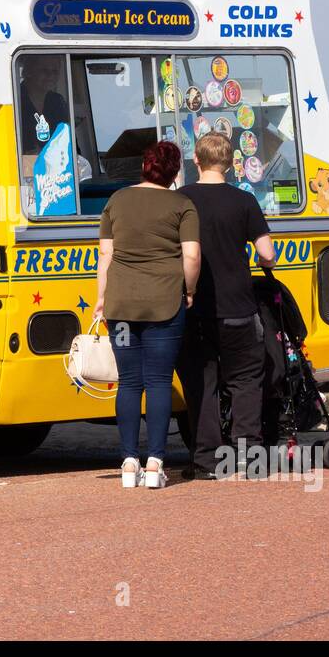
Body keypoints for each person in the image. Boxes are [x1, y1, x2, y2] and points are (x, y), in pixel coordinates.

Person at [94, 140, 200, 489]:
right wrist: (189, 290)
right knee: (157, 382)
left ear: (144, 165)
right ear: (172, 172)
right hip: (164, 306)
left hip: (122, 306)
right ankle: (154, 463)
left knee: (128, 382)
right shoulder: (182, 205)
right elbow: (192, 257)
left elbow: (105, 257)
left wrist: (100, 300)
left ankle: (127, 462)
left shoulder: (116, 201)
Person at [175, 132, 277, 479]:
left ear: (197, 162)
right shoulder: (244, 201)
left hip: (194, 308)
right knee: (246, 380)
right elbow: (267, 254)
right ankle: (249, 459)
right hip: (238, 307)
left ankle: (206, 462)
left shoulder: (181, 200)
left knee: (201, 383)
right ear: (232, 162)